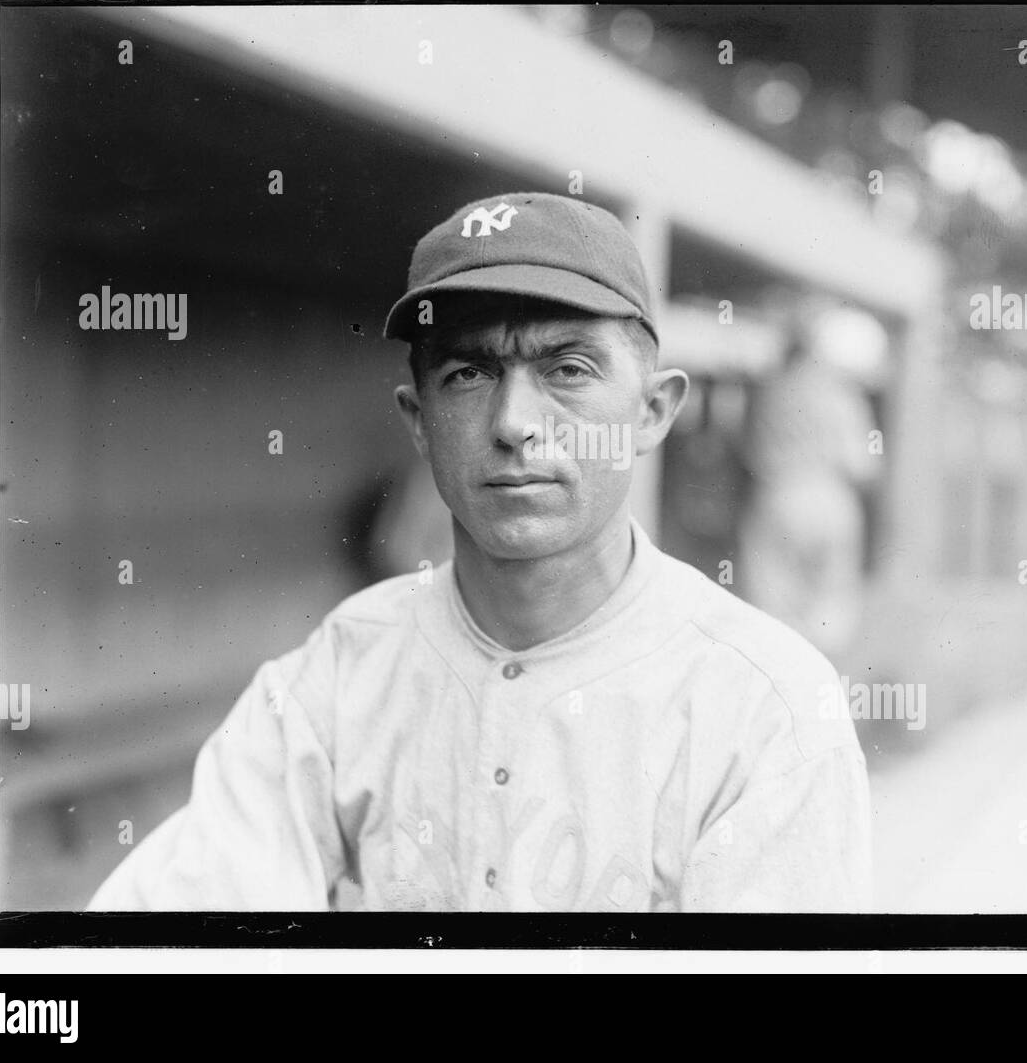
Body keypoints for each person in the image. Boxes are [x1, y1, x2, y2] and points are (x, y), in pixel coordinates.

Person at [88, 191, 871, 912]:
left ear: (653, 410)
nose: (515, 422)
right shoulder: (341, 670)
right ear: (418, 418)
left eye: (568, 368)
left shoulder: (767, 705)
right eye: (469, 372)